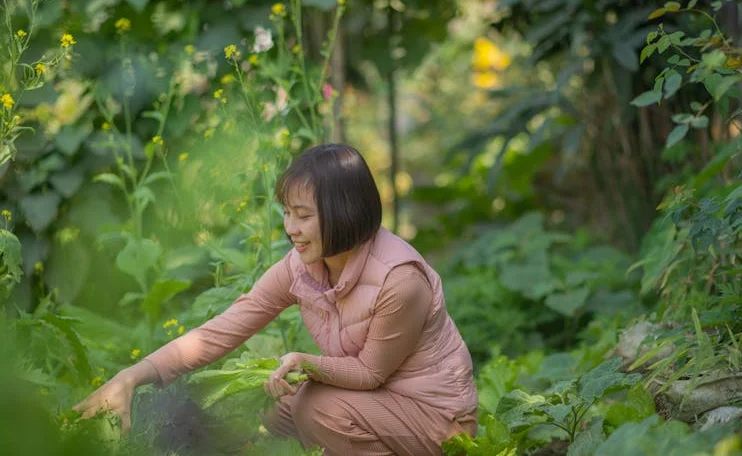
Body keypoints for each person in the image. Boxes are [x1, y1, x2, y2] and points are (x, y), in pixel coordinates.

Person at [74, 143, 478, 455]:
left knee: (316, 410)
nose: (290, 228)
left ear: (344, 211)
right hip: (376, 402)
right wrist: (127, 378)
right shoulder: (300, 267)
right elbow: (218, 333)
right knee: (269, 408)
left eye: (303, 215)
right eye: (286, 213)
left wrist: (305, 363)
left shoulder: (400, 281)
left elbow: (371, 374)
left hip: (436, 420)